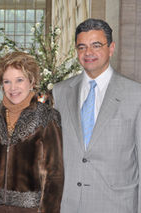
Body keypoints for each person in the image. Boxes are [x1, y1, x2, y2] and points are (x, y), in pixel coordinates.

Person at [52, 18, 141, 213]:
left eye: (96, 45)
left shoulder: (136, 95)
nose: (88, 53)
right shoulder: (61, 92)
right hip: (69, 204)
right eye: (81, 47)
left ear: (111, 48)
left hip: (116, 205)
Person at [0, 51, 64, 213]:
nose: (13, 88)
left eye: (19, 80)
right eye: (7, 81)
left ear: (31, 81)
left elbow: (54, 175)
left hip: (31, 209)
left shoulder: (47, 117)